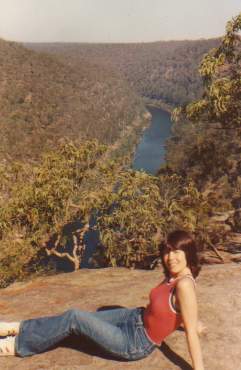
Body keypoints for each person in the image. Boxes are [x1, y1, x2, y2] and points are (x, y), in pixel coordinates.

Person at [0, 230, 204, 370]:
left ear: (188, 253)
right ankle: (17, 327)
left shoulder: (184, 285)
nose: (171, 257)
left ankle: (16, 345)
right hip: (133, 316)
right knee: (79, 321)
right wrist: (189, 323)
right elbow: (176, 312)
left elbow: (191, 335)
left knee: (74, 318)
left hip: (135, 342)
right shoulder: (174, 275)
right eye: (168, 251)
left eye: (177, 252)